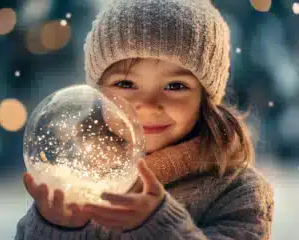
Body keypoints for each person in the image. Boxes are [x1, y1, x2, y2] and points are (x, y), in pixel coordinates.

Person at [15, 0, 274, 239]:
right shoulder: (80, 182)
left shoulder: (238, 192)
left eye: (175, 86)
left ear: (205, 98)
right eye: (126, 83)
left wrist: (160, 225)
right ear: (97, 94)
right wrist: (56, 228)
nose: (149, 105)